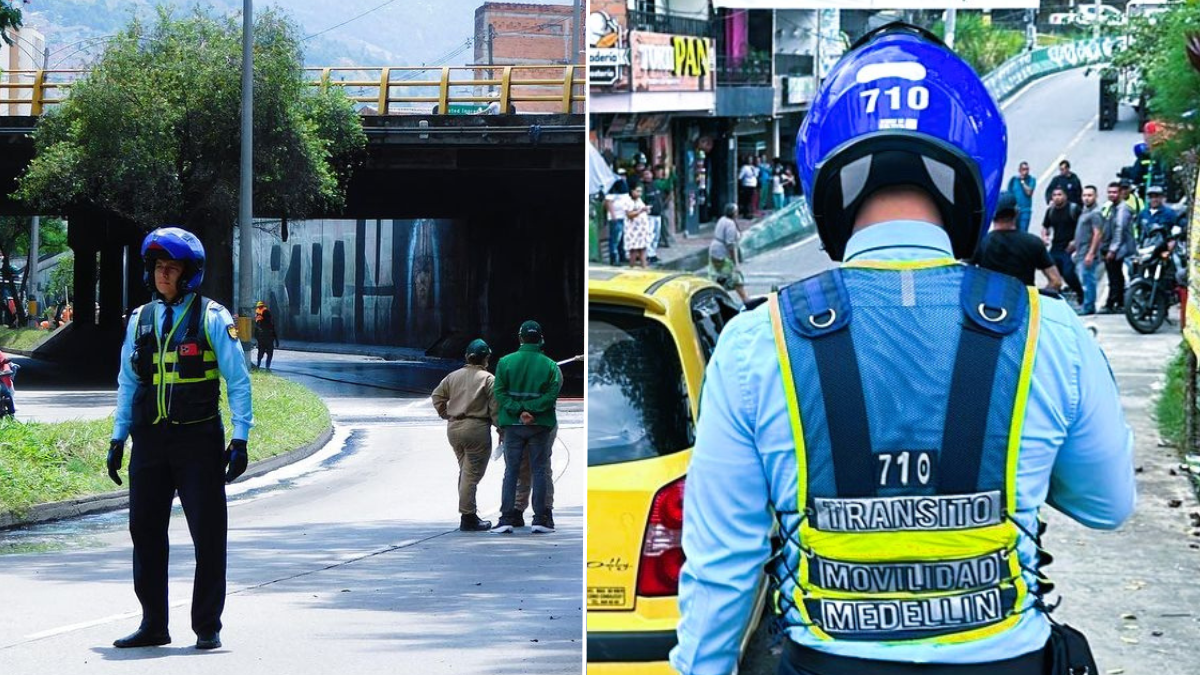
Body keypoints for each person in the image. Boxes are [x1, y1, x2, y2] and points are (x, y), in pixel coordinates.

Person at [670, 23, 1134, 675]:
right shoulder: (1049, 331)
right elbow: (1108, 503)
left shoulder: (754, 342)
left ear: (824, 174)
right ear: (978, 166)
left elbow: (722, 576)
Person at [105, 227, 253, 651]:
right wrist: (118, 438)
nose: (162, 275)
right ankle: (154, 623)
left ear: (188, 274)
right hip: (149, 442)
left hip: (198, 442)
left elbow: (238, 381)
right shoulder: (140, 319)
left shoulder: (212, 318)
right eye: (156, 267)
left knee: (207, 535)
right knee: (145, 533)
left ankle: (207, 624)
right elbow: (127, 382)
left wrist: (240, 439)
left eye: (170, 268)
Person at [491, 320, 562, 534]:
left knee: (511, 471)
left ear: (520, 338)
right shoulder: (550, 365)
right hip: (539, 424)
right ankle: (541, 518)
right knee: (540, 470)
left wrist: (518, 410)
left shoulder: (504, 363)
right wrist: (531, 410)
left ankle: (506, 518)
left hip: (513, 425)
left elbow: (500, 393)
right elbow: (551, 395)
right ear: (541, 339)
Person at [431, 338, 500, 532]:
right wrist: (501, 428)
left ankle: (470, 512)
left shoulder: (452, 377)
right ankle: (468, 516)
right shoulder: (488, 379)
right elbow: (495, 409)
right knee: (471, 474)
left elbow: (437, 396)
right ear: (486, 359)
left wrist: (446, 413)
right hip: (476, 429)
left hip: (454, 428)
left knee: (465, 471)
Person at [974, 191, 1064, 292]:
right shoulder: (1033, 243)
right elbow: (1056, 281)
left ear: (992, 214)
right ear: (1017, 212)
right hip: (1023, 305)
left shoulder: (981, 244)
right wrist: (1036, 299)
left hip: (987, 304)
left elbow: (962, 274)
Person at [1040, 187, 1085, 302]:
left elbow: (1083, 227)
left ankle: (1080, 294)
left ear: (1065, 196)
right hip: (1055, 247)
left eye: (1059, 194)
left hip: (1069, 248)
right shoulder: (1051, 211)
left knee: (1068, 273)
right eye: (1054, 195)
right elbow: (1045, 226)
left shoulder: (1073, 209)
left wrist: (1075, 241)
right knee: (1052, 274)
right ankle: (1056, 298)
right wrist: (1044, 237)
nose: (1056, 197)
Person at [1100, 181, 1135, 313]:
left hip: (1120, 249)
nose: (1111, 195)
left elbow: (1119, 230)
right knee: (1116, 276)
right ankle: (1118, 303)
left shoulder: (1122, 209)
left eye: (1114, 192)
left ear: (1120, 193)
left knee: (1115, 277)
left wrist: (1112, 250)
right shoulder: (1113, 208)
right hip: (1114, 247)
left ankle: (1112, 303)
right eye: (1109, 192)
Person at [1072, 185, 1105, 315]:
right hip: (1081, 251)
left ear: (1096, 196)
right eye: (1084, 195)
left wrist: (1091, 253)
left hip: (1088, 253)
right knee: (1084, 279)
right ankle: (1086, 304)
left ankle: (1089, 306)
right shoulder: (1085, 211)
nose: (1086, 198)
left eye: (1089, 195)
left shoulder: (1095, 213)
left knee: (1088, 280)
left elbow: (1097, 234)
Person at [708, 203, 748, 304]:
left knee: (720, 277)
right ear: (734, 213)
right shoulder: (730, 224)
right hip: (721, 252)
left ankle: (716, 298)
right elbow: (730, 244)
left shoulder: (723, 219)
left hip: (714, 250)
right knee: (735, 277)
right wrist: (735, 262)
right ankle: (745, 299)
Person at [622, 184, 653, 268]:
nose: (640, 193)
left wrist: (646, 210)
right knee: (633, 251)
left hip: (641, 230)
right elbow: (629, 214)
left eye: (640, 191)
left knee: (643, 249)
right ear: (632, 191)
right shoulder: (627, 201)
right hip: (633, 230)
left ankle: (644, 267)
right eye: (638, 191)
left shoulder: (639, 200)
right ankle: (632, 267)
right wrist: (641, 210)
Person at [640, 169, 665, 264]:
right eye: (645, 174)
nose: (648, 175)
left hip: (658, 214)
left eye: (649, 173)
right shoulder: (643, 186)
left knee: (656, 236)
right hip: (649, 215)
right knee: (649, 236)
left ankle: (653, 254)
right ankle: (649, 255)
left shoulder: (655, 184)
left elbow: (666, 186)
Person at [604, 176, 630, 265]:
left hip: (624, 217)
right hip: (616, 218)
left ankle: (622, 256)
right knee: (615, 238)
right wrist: (613, 215)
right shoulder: (612, 192)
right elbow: (608, 202)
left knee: (622, 238)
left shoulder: (625, 191)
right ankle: (614, 258)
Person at [1007, 161, 1036, 230]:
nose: (1025, 171)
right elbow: (1009, 194)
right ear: (1019, 170)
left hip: (1025, 210)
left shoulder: (1031, 180)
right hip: (1015, 210)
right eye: (1023, 169)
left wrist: (1022, 181)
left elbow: (1029, 192)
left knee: (1023, 231)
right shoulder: (1013, 180)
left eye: (1027, 169)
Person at [253, 300, 279, 369]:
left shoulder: (258, 319)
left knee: (260, 354)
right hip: (268, 340)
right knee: (269, 354)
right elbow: (272, 328)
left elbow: (255, 332)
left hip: (262, 339)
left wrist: (257, 339)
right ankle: (266, 367)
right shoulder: (266, 316)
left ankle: (259, 366)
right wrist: (276, 341)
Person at [0, 349, 19, 416]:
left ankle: (11, 412)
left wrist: (6, 371)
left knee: (6, 393)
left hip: (2, 379)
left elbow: (6, 364)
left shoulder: (1, 355)